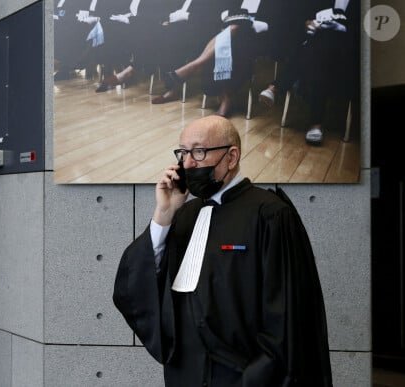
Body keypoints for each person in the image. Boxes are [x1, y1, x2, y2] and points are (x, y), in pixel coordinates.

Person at [113, 115, 332, 386]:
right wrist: (164, 214)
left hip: (245, 378)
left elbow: (287, 317)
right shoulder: (183, 214)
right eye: (183, 152)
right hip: (185, 375)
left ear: (231, 156)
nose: (188, 163)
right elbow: (135, 286)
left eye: (199, 151)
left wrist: (256, 376)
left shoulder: (271, 214)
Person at [258, 0, 358, 145]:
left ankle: (274, 88)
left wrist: (341, 27)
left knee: (315, 51)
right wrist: (308, 24)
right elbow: (304, 18)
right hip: (318, 48)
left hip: (348, 53)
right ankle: (315, 124)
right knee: (317, 51)